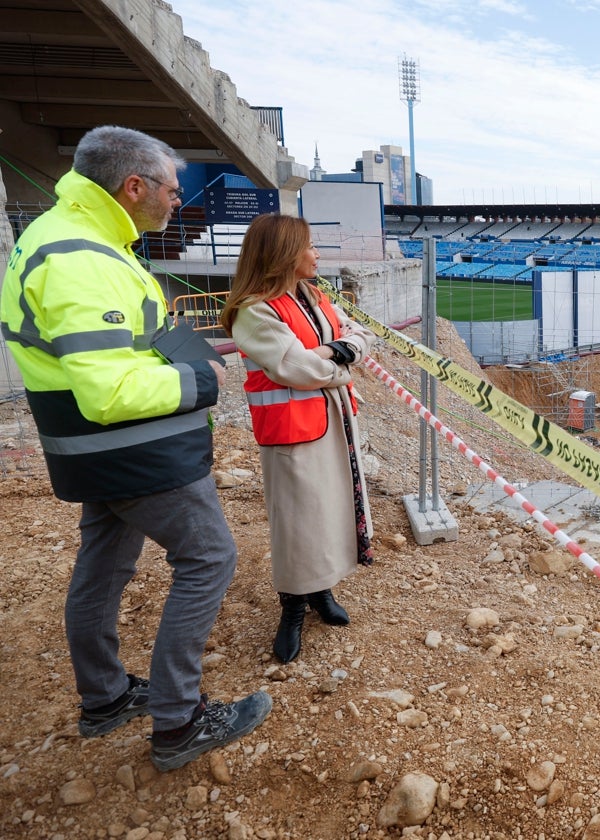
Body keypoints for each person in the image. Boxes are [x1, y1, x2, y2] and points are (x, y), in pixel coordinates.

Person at [0, 125, 271, 772]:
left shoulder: (89, 240)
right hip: (133, 451)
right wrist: (201, 380)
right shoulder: (79, 258)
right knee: (209, 557)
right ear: (133, 186)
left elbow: (142, 331)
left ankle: (106, 697)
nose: (178, 201)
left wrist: (187, 350)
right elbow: (107, 390)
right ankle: (179, 724)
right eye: (173, 191)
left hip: (99, 454)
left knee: (104, 563)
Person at [219, 214, 376, 664]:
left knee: (326, 508)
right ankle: (292, 605)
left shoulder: (313, 294)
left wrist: (336, 353)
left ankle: (320, 590)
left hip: (332, 419)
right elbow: (294, 368)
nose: (316, 254)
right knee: (296, 519)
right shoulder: (255, 310)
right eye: (308, 246)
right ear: (284, 253)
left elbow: (359, 336)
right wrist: (341, 361)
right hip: (291, 430)